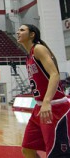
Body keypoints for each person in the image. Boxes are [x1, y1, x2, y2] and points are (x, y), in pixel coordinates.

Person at [16, 24, 70, 158]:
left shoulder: (39, 49)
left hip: (55, 107)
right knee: (27, 149)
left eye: (22, 30)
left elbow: (55, 74)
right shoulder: (28, 56)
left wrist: (47, 102)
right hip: (39, 108)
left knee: (56, 153)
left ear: (32, 34)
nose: (18, 32)